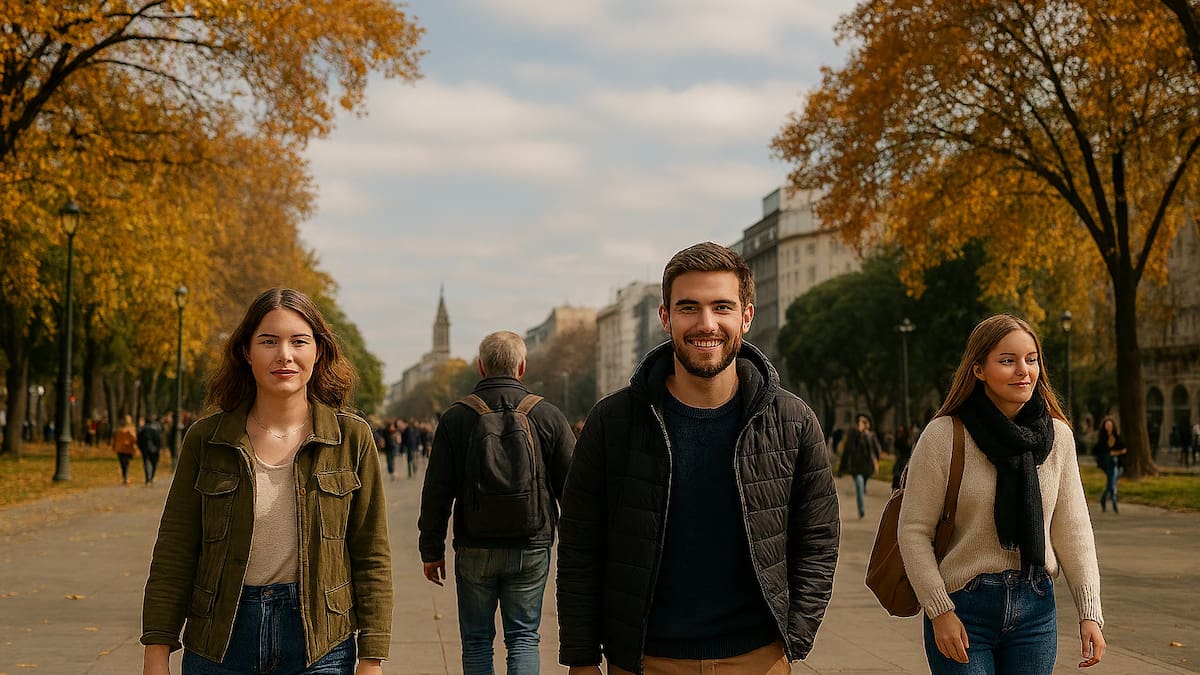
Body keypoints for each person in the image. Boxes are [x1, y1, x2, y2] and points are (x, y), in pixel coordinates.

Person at [556, 242, 840, 675]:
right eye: (689, 308)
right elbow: (579, 546)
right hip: (646, 660)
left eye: (721, 307)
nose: (706, 324)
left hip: (757, 659)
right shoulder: (613, 421)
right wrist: (580, 658)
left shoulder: (792, 420)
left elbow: (818, 538)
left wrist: (794, 636)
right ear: (665, 317)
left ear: (746, 316)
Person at [141, 288, 392, 675]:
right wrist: (157, 650)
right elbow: (176, 548)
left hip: (320, 641)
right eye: (269, 341)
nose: (285, 355)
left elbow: (371, 553)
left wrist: (371, 656)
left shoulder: (351, 438)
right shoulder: (208, 439)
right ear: (246, 351)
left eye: (299, 341)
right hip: (221, 638)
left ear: (318, 351)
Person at [897, 314, 1105, 674]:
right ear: (978, 370)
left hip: (1036, 608)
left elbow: (1073, 529)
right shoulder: (944, 435)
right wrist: (940, 611)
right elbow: (913, 531)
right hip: (963, 608)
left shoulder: (1058, 437)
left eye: (1031, 359)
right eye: (1007, 361)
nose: (1023, 370)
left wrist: (1090, 613)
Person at [418, 330, 575, 674]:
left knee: (476, 641)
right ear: (522, 367)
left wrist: (431, 549)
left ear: (480, 367)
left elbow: (437, 491)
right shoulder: (546, 415)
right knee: (523, 637)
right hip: (531, 544)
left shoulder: (456, 417)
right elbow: (574, 489)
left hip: (475, 545)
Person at [839, 413, 882, 518]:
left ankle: (863, 490)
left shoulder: (870, 436)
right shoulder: (853, 435)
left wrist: (876, 462)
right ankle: (861, 509)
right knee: (859, 486)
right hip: (856, 467)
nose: (860, 424)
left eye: (863, 422)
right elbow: (847, 451)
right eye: (859, 422)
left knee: (862, 486)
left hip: (868, 467)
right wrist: (842, 468)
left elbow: (876, 450)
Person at [1093, 416, 1127, 514]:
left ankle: (1108, 501)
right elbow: (1100, 451)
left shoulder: (1117, 436)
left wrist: (1115, 453)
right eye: (1107, 425)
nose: (1108, 427)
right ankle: (1109, 501)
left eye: (1110, 425)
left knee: (1112, 483)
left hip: (1116, 463)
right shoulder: (1102, 438)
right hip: (1107, 464)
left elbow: (1124, 449)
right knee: (1111, 483)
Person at [137, 414, 164, 485]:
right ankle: (151, 477)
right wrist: (158, 448)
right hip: (155, 450)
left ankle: (147, 479)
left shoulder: (142, 430)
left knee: (146, 462)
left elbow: (139, 440)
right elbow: (159, 440)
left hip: (145, 449)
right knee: (154, 463)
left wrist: (140, 448)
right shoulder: (156, 429)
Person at [112, 414, 138, 485]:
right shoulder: (131, 429)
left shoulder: (119, 429)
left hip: (121, 449)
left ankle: (125, 477)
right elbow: (134, 439)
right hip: (126, 449)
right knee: (125, 464)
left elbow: (115, 440)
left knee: (123, 464)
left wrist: (114, 447)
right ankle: (125, 477)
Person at [891, 424, 912, 490]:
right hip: (900, 460)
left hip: (904, 460)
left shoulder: (906, 439)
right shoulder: (900, 438)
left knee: (900, 476)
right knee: (897, 476)